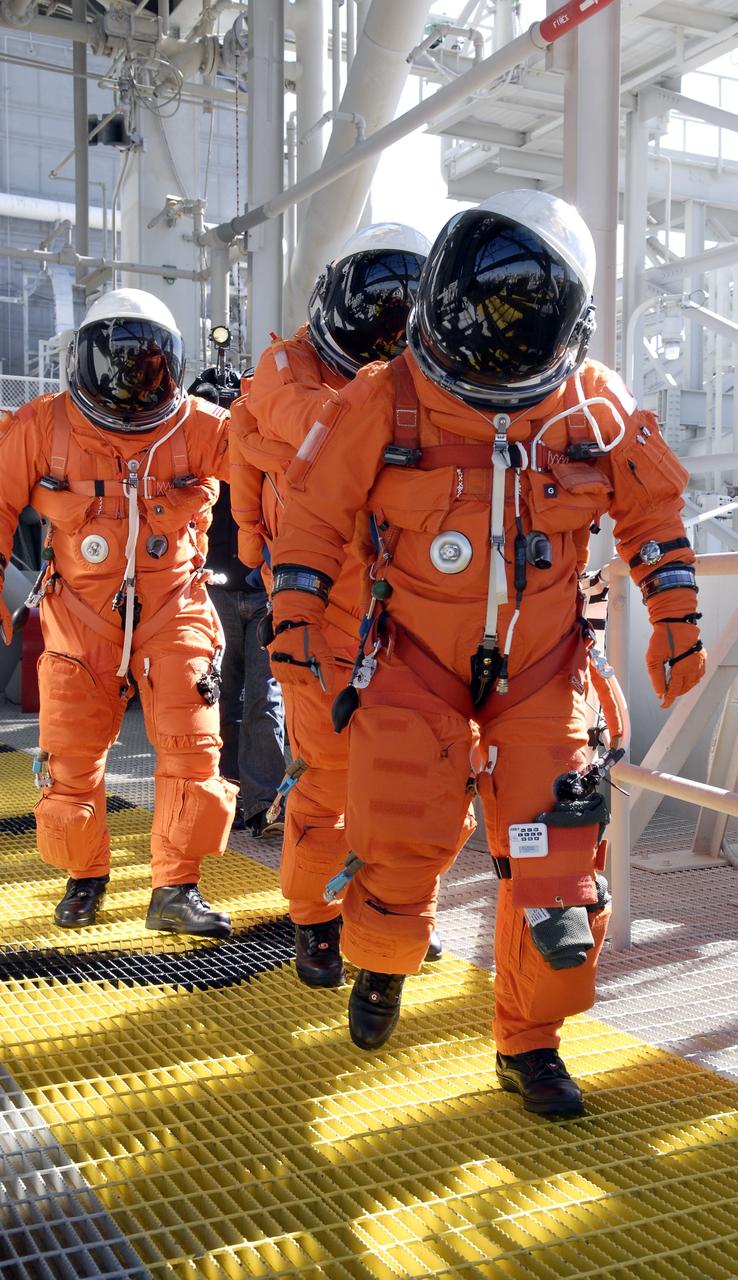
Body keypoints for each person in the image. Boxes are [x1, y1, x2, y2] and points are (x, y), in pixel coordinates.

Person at [269, 191, 706, 1116]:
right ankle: (381, 968)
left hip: (544, 671)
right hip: (413, 657)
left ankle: (529, 1043)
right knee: (396, 833)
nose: (487, 340)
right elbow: (313, 510)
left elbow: (652, 516)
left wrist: (676, 616)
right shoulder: (379, 398)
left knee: (559, 875)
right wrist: (298, 609)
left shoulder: (595, 404)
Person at [229, 222, 451, 987]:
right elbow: (308, 429)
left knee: (409, 785)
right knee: (325, 780)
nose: (388, 334)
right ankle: (315, 924)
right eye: (379, 314)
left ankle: (390, 918)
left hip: (409, 622)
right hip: (320, 615)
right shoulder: (286, 372)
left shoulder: (427, 396)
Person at [0, 288, 236, 937]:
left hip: (175, 606)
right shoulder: (43, 427)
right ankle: (85, 876)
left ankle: (175, 888)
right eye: (119, 368)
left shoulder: (203, 425)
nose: (132, 386)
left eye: (148, 370)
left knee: (193, 743)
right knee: (72, 755)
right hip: (80, 613)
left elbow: (286, 478)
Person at [190, 363, 288, 840]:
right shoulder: (198, 448)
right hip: (221, 590)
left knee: (262, 700)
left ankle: (264, 803)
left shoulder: (271, 443)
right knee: (221, 698)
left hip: (263, 589)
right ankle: (227, 795)